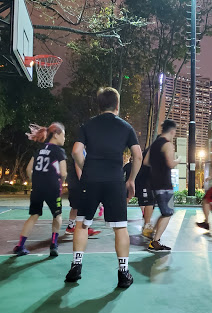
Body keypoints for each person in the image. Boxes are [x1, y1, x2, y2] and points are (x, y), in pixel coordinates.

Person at [65, 87, 142, 289]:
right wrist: (131, 179)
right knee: (120, 227)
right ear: (117, 105)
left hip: (91, 180)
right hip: (115, 181)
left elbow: (75, 151)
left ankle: (76, 266)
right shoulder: (126, 127)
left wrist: (86, 168)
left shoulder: (87, 125)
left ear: (99, 105)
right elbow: (138, 155)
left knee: (82, 223)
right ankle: (123, 273)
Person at [13, 123, 67, 257]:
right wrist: (62, 183)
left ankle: (20, 245)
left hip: (37, 187)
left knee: (34, 215)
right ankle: (54, 244)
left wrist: (35, 181)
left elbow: (28, 169)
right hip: (52, 187)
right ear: (56, 135)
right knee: (57, 215)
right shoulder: (59, 151)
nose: (64, 139)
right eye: (64, 135)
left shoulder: (39, 150)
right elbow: (64, 172)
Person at [145, 120, 180, 252]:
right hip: (165, 185)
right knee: (168, 213)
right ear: (172, 131)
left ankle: (153, 233)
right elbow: (170, 164)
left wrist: (157, 166)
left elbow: (146, 161)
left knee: (165, 212)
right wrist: (178, 160)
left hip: (154, 183)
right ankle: (155, 242)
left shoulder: (154, 145)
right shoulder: (168, 145)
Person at [65, 156, 101, 237]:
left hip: (75, 184)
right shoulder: (80, 152)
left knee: (76, 206)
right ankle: (83, 227)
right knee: (81, 206)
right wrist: (85, 182)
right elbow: (79, 168)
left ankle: (71, 227)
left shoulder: (83, 152)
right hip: (78, 185)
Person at [136, 147, 154, 238]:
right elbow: (146, 162)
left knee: (150, 202)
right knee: (148, 201)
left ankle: (147, 223)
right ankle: (147, 224)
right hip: (144, 180)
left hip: (150, 181)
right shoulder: (152, 150)